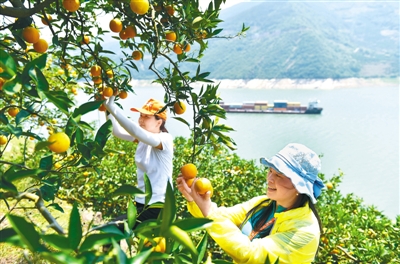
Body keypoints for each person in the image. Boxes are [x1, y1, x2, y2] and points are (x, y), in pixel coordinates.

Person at [177, 143, 325, 263]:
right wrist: (194, 199)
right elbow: (222, 216)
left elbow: (250, 254)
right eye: (270, 171)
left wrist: (208, 211)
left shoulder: (305, 230)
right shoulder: (263, 203)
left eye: (279, 175)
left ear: (299, 186)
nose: (270, 179)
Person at [103, 96, 174, 237]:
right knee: (119, 234)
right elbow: (117, 132)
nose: (141, 120)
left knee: (111, 231)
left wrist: (112, 106)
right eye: (140, 116)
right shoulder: (143, 140)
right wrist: (107, 107)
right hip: (141, 204)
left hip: (158, 206)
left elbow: (136, 131)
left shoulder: (165, 139)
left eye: (146, 117)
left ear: (159, 122)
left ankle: (112, 258)